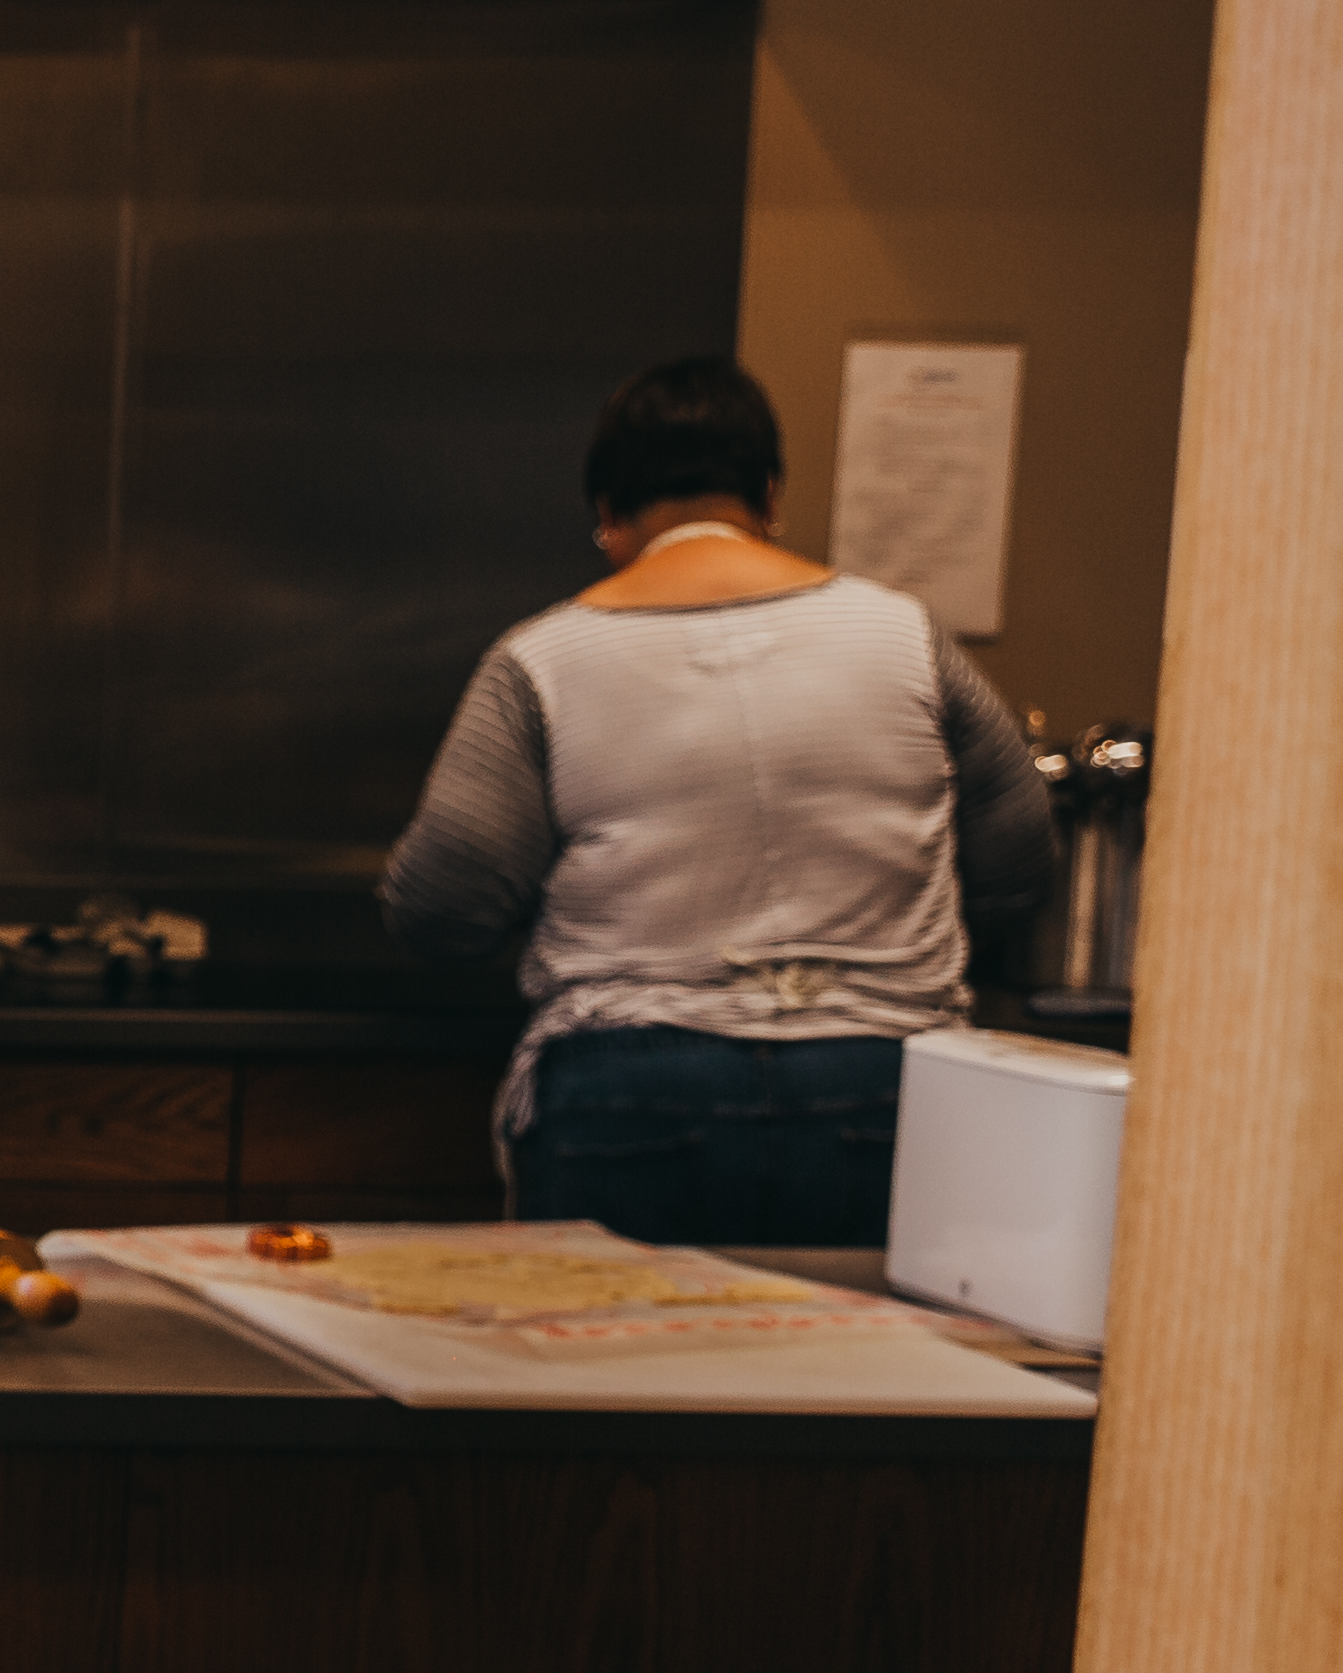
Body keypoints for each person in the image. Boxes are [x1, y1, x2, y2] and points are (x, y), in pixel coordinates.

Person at [379, 359, 1054, 1243]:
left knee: (615, 1379)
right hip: (883, 1084)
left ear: (608, 516)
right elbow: (1019, 860)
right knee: (862, 1380)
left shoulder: (542, 661)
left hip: (628, 1088)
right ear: (770, 495)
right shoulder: (904, 635)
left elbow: (441, 904)